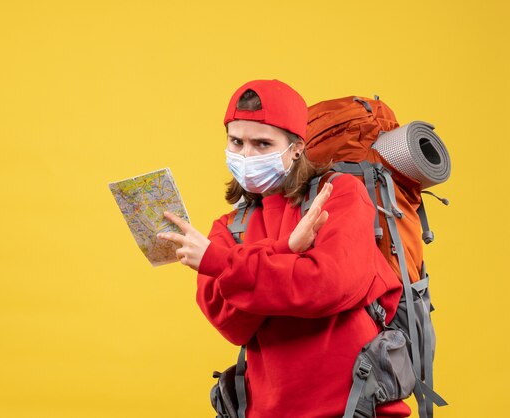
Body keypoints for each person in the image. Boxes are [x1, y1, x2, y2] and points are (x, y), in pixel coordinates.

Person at [157, 79, 411, 418]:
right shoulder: (228, 227)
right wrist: (288, 249)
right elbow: (231, 324)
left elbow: (325, 285)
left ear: (295, 148)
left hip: (356, 407)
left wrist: (224, 264)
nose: (246, 155)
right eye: (236, 141)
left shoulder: (339, 194)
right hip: (266, 410)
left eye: (262, 144)